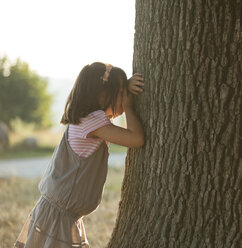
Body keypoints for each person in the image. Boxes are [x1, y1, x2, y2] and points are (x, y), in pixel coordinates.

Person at [14, 62, 145, 248]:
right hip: (59, 217)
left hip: (58, 213)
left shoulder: (86, 119)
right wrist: (129, 107)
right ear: (103, 95)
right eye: (122, 93)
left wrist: (125, 87)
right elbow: (137, 139)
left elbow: (111, 112)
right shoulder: (94, 122)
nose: (125, 98)